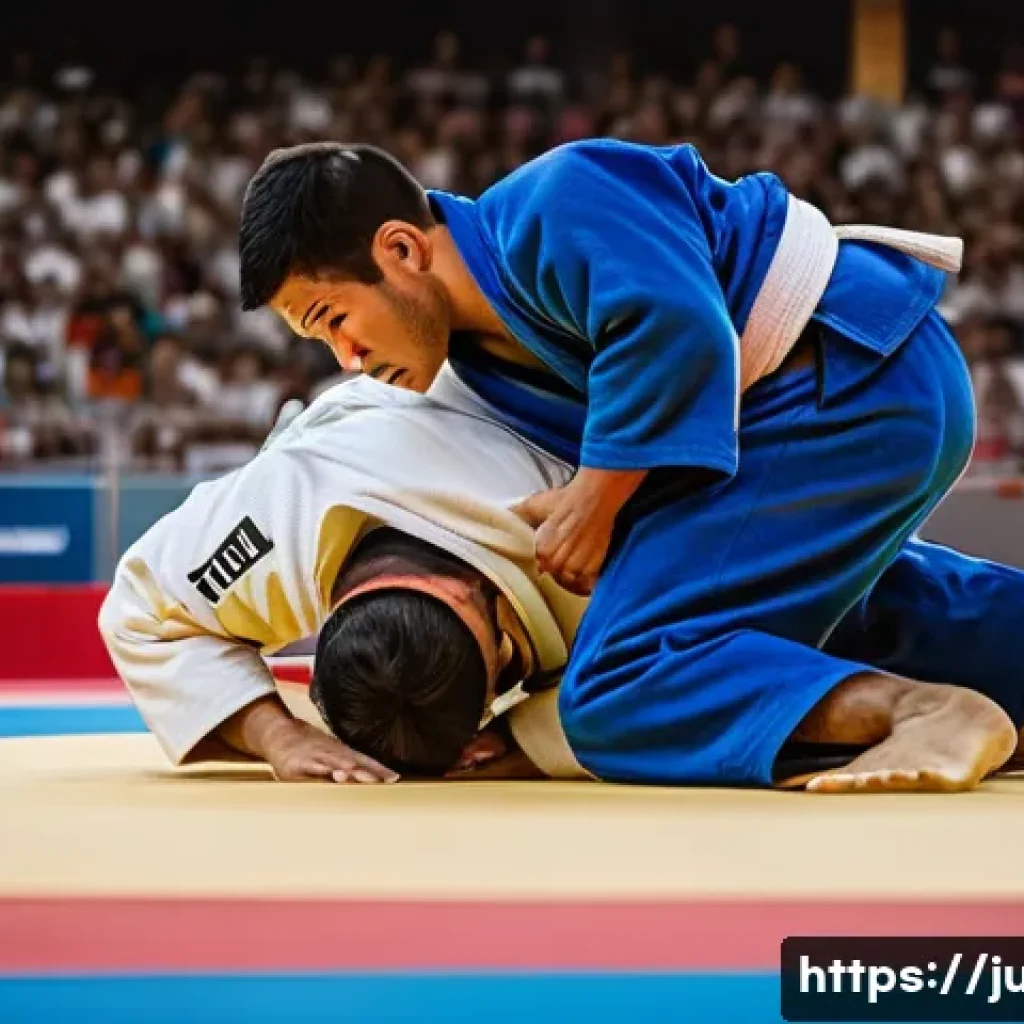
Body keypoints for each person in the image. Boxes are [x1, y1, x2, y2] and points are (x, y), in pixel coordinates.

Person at [98, 368, 1024, 793]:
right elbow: (138, 609)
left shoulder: (563, 517)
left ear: (496, 626)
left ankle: (924, 699)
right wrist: (271, 733)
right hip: (358, 425)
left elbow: (632, 684)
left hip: (683, 483)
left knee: (875, 614)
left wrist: (537, 734)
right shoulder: (268, 528)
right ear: (319, 615)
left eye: (498, 683)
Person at [236, 139, 964, 595]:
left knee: (638, 662)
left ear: (400, 251)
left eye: (332, 319)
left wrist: (598, 496)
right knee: (861, 615)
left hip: (855, 367)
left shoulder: (558, 196)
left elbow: (677, 324)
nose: (348, 358)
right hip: (802, 419)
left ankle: (926, 710)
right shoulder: (471, 369)